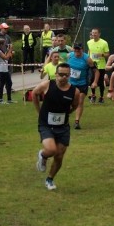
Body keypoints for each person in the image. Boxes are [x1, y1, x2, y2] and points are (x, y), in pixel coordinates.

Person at [32, 62, 80, 190]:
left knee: (59, 156)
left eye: (66, 75)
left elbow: (75, 105)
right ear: (56, 74)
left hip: (62, 127)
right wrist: (39, 110)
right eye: (61, 75)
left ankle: (50, 179)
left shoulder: (74, 91)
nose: (64, 77)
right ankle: (43, 155)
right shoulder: (47, 85)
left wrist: (67, 113)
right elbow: (34, 93)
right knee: (51, 150)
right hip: (46, 124)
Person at [66, 42, 100, 129]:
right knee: (68, 102)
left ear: (82, 49)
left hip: (82, 84)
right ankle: (65, 118)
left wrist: (95, 82)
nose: (77, 51)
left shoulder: (87, 59)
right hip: (70, 83)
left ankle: (77, 121)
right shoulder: (69, 56)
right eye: (75, 49)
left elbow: (96, 71)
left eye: (79, 49)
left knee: (79, 101)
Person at [86, 28, 109, 103]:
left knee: (101, 81)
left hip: (101, 65)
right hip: (92, 64)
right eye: (93, 33)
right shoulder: (89, 42)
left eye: (96, 33)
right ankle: (93, 95)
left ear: (99, 34)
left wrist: (101, 54)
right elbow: (89, 51)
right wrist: (88, 59)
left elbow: (107, 54)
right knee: (91, 80)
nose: (94, 34)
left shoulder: (104, 43)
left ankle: (101, 97)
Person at [0, 38, 15, 104]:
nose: (4, 46)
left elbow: (7, 57)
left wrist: (9, 51)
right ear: (0, 45)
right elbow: (6, 57)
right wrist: (10, 49)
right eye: (3, 44)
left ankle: (9, 99)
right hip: (2, 69)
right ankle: (0, 100)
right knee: (2, 84)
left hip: (5, 69)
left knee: (9, 83)